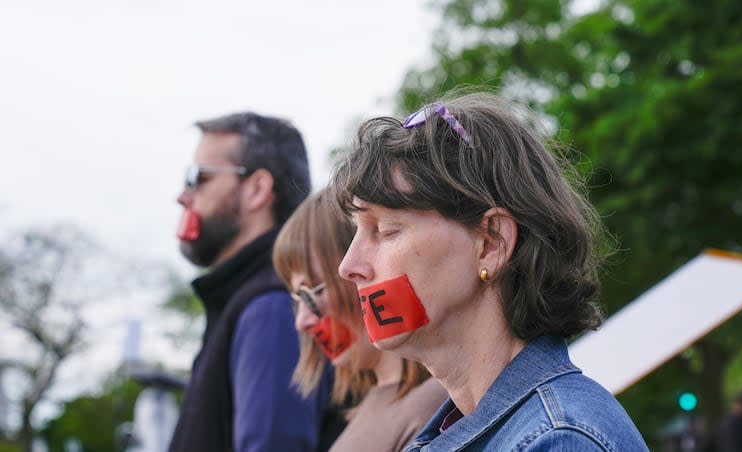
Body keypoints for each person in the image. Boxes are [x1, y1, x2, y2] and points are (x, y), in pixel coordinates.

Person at [332, 93, 648, 451]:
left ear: (491, 244)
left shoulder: (558, 440)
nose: (349, 266)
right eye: (356, 230)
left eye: (387, 229)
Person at [170, 112, 336, 452]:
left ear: (258, 189)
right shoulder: (249, 300)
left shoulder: (270, 308)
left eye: (198, 177)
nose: (183, 196)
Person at [273, 188, 448, 452]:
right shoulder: (373, 406)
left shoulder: (432, 406)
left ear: (359, 273)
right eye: (297, 300)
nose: (303, 322)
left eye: (310, 293)